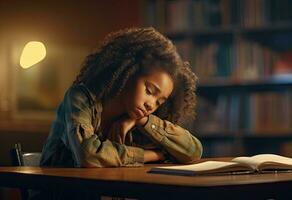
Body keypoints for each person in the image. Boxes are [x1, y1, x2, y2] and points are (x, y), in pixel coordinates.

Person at [40, 27, 202, 168]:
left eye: (159, 102)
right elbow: (88, 155)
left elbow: (193, 151)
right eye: (149, 91)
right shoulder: (80, 97)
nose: (151, 104)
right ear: (128, 74)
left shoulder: (133, 117)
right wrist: (152, 155)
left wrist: (143, 121)